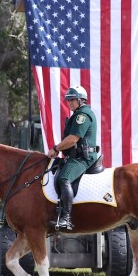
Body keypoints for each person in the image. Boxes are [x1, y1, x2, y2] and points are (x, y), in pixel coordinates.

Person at [48, 85, 98, 230]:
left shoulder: (82, 115)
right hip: (74, 156)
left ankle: (66, 218)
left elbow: (73, 139)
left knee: (64, 178)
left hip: (82, 158)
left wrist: (56, 148)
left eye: (72, 100)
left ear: (81, 100)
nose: (69, 103)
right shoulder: (77, 114)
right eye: (68, 100)